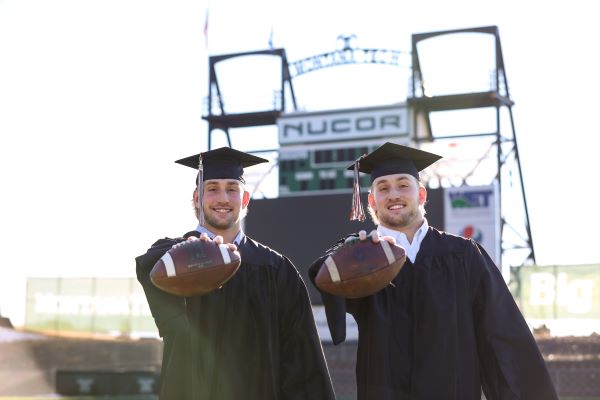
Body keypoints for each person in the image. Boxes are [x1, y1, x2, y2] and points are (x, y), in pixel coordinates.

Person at [308, 142, 558, 400]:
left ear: (422, 195)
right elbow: (321, 273)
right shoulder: (363, 259)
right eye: (383, 188)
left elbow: (503, 336)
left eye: (403, 185)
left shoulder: (462, 255)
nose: (393, 194)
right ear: (372, 201)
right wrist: (352, 249)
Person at [136, 146, 335, 400]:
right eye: (213, 189)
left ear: (244, 199)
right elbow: (151, 271)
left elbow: (301, 361)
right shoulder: (172, 261)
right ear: (197, 198)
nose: (223, 198)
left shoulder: (274, 269)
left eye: (232, 188)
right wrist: (197, 248)